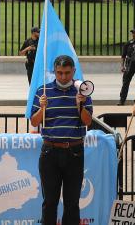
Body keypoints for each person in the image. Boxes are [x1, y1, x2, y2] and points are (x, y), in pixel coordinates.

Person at [29, 55, 92, 225]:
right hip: (50, 151)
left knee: (72, 203)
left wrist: (80, 105)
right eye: (59, 73)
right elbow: (34, 122)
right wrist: (42, 108)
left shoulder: (83, 91)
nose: (63, 77)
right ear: (54, 72)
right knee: (49, 202)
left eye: (67, 72)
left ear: (74, 71)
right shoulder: (43, 91)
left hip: (75, 151)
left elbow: (88, 121)